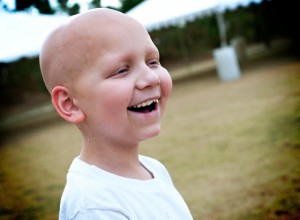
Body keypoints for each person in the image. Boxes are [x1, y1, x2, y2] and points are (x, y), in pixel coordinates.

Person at [39, 8, 193, 220]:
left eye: (153, 62)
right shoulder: (95, 207)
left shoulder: (153, 168)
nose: (151, 78)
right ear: (70, 104)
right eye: (122, 70)